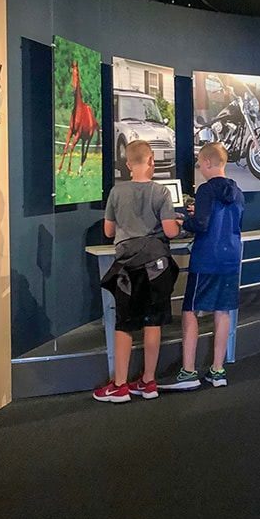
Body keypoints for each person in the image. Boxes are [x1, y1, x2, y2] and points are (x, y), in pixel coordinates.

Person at [94, 141, 181, 403]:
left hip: (127, 268)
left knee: (124, 324)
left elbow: (108, 232)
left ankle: (119, 385)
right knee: (153, 322)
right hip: (157, 266)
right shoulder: (162, 192)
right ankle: (148, 381)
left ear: (128, 164)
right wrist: (177, 222)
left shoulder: (116, 192)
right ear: (152, 160)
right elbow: (170, 232)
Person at [159, 142, 245, 390]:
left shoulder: (206, 189)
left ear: (207, 162)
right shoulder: (237, 191)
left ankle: (188, 372)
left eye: (199, 164)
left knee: (190, 311)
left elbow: (202, 225)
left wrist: (185, 220)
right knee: (223, 311)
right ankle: (218, 370)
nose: (199, 168)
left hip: (207, 258)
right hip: (230, 258)